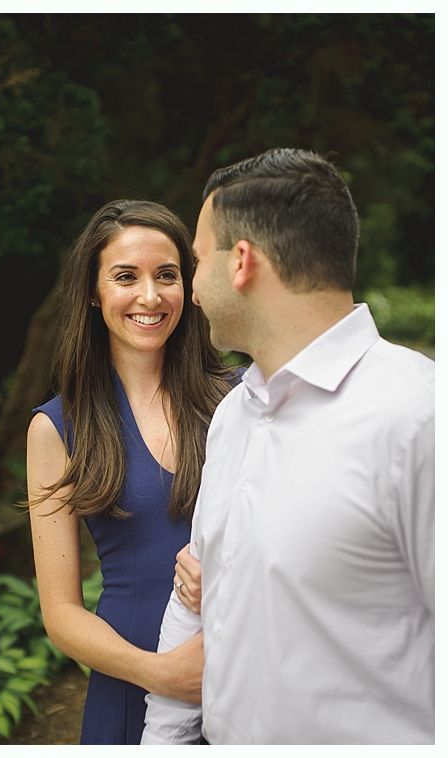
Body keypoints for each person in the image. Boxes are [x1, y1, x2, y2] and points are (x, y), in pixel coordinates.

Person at [142, 148, 434, 744]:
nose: (192, 291)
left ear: (242, 262)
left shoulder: (419, 419)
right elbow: (192, 599)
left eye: (197, 262)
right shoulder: (230, 418)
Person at [26, 199, 234, 744]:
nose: (150, 295)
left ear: (188, 288)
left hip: (245, 666)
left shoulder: (238, 400)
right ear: (94, 293)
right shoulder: (56, 428)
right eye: (126, 277)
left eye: (167, 275)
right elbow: (61, 612)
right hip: (131, 683)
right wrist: (158, 672)